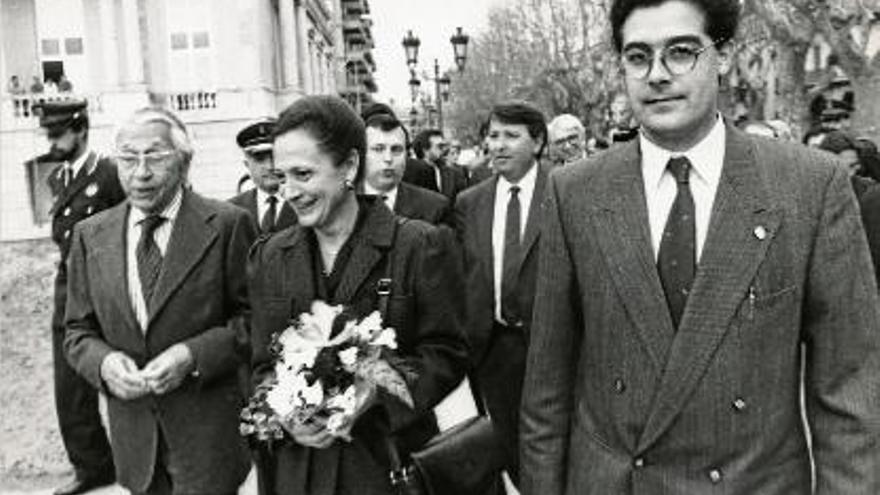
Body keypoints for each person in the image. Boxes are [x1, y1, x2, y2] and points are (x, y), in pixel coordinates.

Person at [520, 0, 880, 493]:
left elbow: (851, 391)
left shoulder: (810, 186)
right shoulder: (574, 192)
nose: (658, 75)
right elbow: (546, 390)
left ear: (725, 55)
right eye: (638, 56)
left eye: (682, 51)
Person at [248, 95, 469, 495]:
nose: (290, 192)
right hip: (298, 476)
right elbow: (263, 365)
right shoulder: (270, 256)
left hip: (388, 468)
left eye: (303, 174)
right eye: (282, 177)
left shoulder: (419, 245)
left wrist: (375, 393)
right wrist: (286, 414)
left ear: (349, 166)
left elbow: (447, 353)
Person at [64, 107, 256, 495]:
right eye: (128, 158)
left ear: (184, 162)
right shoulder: (90, 236)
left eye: (155, 156)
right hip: (135, 443)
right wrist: (103, 363)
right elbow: (77, 332)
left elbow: (255, 320)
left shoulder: (227, 225)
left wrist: (193, 355)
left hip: (208, 443)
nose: (141, 172)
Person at [26, 99, 125, 495]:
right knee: (68, 387)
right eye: (48, 133)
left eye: (58, 133)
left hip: (106, 290)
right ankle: (93, 466)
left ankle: (145, 458)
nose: (52, 141)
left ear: (81, 128)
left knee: (122, 374)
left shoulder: (110, 174)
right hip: (68, 291)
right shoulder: (58, 180)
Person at [454, 101, 550, 489]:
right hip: (492, 351)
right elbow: (464, 275)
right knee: (507, 451)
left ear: (538, 142)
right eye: (493, 136)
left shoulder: (565, 189)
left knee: (550, 449)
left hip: (550, 348)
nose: (499, 145)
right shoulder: (470, 202)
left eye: (512, 136)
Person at [362, 110, 452, 226]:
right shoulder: (340, 204)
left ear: (406, 155)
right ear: (361, 153)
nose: (388, 158)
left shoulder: (435, 208)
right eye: (378, 149)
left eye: (396, 150)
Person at [229, 118, 297, 234]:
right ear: (247, 165)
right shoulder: (231, 210)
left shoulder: (303, 202)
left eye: (274, 156)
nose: (270, 166)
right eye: (259, 158)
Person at [411, 129, 467, 201]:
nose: (444, 149)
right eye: (439, 146)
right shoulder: (410, 174)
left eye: (444, 146)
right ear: (425, 149)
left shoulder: (454, 173)